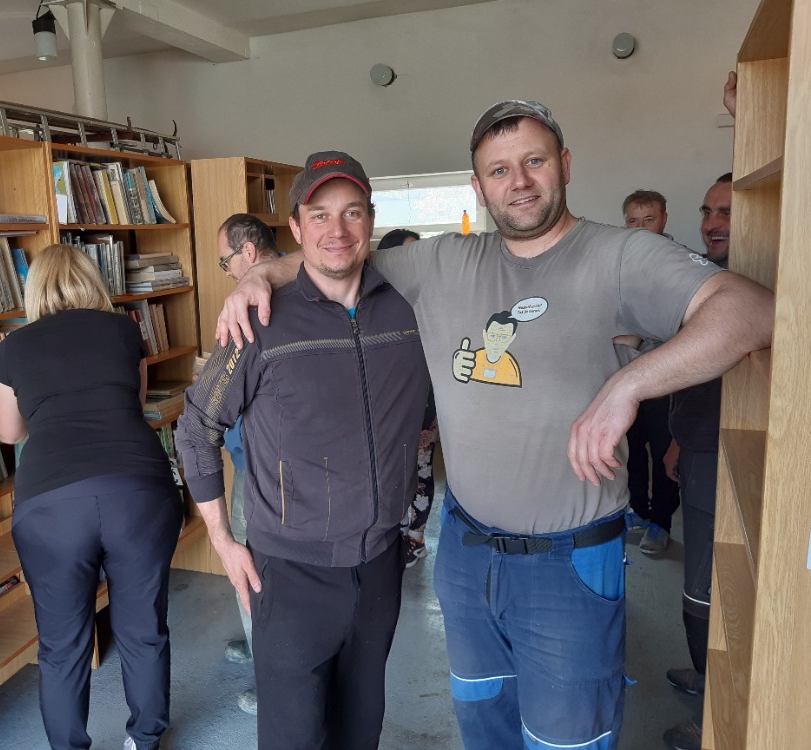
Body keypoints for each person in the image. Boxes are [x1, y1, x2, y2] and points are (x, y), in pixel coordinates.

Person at [213, 102, 773, 749]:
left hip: (568, 561)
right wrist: (262, 272)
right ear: (478, 187)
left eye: (534, 161)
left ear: (564, 164)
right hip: (466, 554)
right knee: (484, 728)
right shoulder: (444, 262)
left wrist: (629, 384)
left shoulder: (619, 255)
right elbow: (334, 262)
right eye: (499, 170)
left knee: (567, 738)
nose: (520, 181)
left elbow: (753, 312)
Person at [176, 151, 430, 750]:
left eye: (351, 212)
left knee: (360, 728)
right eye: (319, 215)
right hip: (290, 574)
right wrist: (222, 542)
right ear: (295, 228)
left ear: (371, 220)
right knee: (292, 735)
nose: (336, 230)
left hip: (380, 562)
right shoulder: (258, 320)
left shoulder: (409, 311)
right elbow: (196, 427)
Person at [0, 244, 182, 750]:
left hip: (52, 504)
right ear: (91, 281)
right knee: (143, 628)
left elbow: (9, 433)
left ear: (35, 288)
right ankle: (144, 740)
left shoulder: (12, 348)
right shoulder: (125, 331)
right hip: (138, 491)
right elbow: (135, 402)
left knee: (62, 644)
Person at [660, 172, 733, 750]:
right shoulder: (708, 281)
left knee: (712, 588)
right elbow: (696, 380)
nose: (712, 222)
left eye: (727, 211)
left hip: (730, 460)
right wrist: (678, 439)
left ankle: (716, 716)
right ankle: (707, 679)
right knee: (699, 583)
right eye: (708, 211)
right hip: (699, 449)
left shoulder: (755, 287)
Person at [215, 213, 279, 716]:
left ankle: (270, 674)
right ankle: (263, 647)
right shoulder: (302, 283)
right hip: (270, 457)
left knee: (249, 564)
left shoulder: (253, 304)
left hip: (261, 463)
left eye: (226, 261)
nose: (227, 272)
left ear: (249, 252)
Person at [620, 189, 681, 554]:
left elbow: (677, 322)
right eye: (632, 221)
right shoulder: (618, 263)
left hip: (664, 380)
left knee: (663, 454)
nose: (640, 228)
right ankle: (638, 513)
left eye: (649, 220)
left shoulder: (679, 263)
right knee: (630, 450)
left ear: (664, 220)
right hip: (626, 377)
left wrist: (637, 333)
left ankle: (661, 522)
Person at [377, 227, 438, 567]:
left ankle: (415, 539)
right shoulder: (376, 299)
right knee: (392, 469)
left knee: (421, 467)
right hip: (388, 401)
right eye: (408, 253)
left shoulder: (429, 297)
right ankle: (393, 534)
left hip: (424, 397)